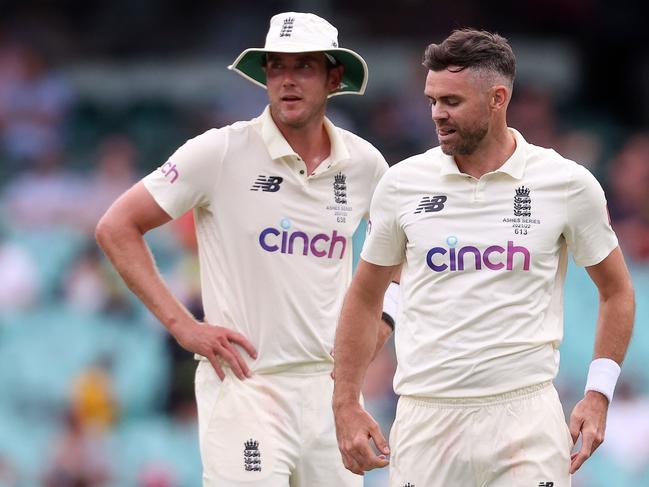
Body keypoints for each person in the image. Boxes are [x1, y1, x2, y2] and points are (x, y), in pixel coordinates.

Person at [96, 12, 394, 487]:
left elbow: (397, 256)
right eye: (276, 67)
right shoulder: (219, 152)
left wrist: (383, 323)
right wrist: (183, 326)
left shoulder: (364, 164)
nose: (287, 81)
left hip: (331, 394)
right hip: (245, 388)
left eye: (304, 67)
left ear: (334, 77)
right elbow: (117, 226)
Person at [332, 28, 635, 487]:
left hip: (525, 416)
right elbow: (365, 297)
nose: (437, 114)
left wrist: (599, 394)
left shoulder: (566, 182)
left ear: (497, 98)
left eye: (451, 101)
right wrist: (346, 401)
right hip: (426, 417)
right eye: (432, 100)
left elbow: (616, 290)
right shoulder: (401, 184)